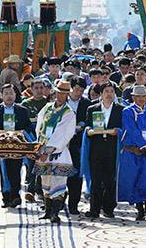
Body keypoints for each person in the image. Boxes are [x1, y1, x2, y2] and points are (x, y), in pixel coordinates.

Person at [34, 80, 77, 224]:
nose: (61, 96)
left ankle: (55, 212)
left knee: (59, 182)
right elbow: (39, 126)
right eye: (59, 93)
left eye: (64, 94)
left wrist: (50, 148)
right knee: (45, 180)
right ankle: (47, 210)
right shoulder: (46, 108)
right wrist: (40, 144)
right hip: (43, 148)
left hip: (59, 151)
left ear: (67, 95)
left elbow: (64, 133)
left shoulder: (69, 113)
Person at [0, 84, 32, 208]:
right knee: (4, 171)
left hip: (17, 145)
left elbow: (28, 126)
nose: (9, 96)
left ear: (15, 95)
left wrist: (21, 133)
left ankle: (15, 196)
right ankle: (6, 198)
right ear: (1, 95)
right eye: (6, 93)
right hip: (2, 146)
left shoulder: (22, 110)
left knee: (16, 170)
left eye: (11, 93)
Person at [83, 82, 123, 219]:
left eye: (112, 91)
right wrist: (89, 131)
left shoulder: (120, 109)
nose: (109, 94)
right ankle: (94, 209)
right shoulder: (92, 109)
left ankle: (108, 208)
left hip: (112, 148)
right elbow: (87, 126)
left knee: (110, 180)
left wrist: (117, 131)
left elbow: (123, 129)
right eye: (106, 91)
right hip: (97, 148)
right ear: (101, 94)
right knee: (96, 180)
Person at [118, 85, 146, 220]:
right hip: (134, 151)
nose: (141, 99)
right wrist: (144, 146)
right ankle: (140, 209)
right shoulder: (128, 111)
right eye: (138, 96)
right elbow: (132, 130)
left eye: (143, 96)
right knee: (135, 179)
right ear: (133, 97)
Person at [66, 75, 92, 214]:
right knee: (60, 173)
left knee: (76, 174)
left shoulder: (87, 103)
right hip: (63, 142)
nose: (79, 93)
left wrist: (82, 125)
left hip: (78, 143)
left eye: (81, 90)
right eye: (76, 89)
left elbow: (89, 121)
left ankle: (73, 205)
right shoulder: (62, 100)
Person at [20, 78, 48, 201]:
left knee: (43, 164)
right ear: (31, 89)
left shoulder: (49, 104)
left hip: (45, 137)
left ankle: (41, 189)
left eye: (41, 88)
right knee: (31, 164)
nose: (39, 90)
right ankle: (30, 190)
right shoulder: (25, 104)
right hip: (30, 136)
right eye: (36, 88)